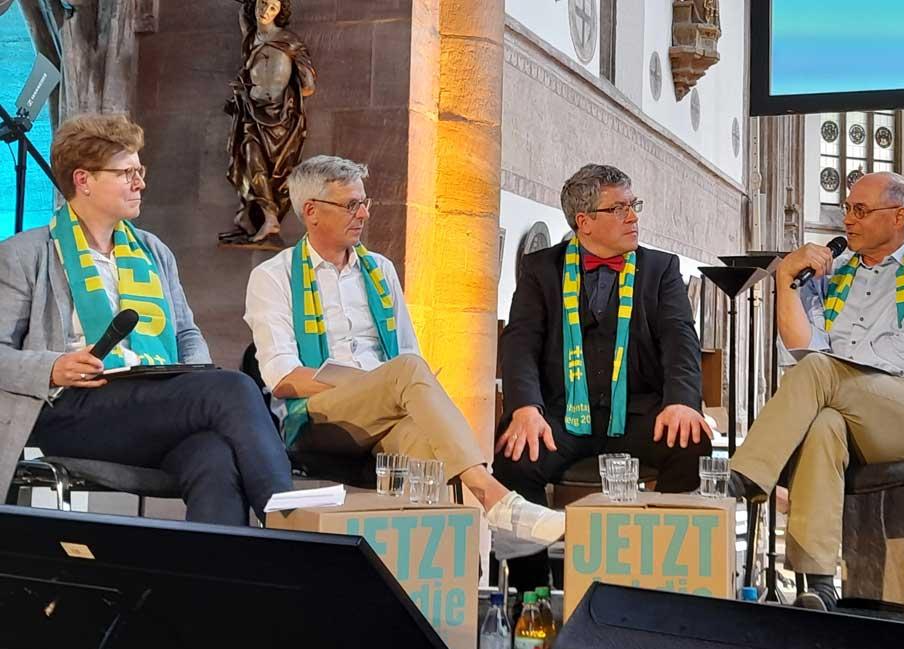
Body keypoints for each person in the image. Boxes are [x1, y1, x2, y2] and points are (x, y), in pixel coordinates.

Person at [243, 154, 565, 549]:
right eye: (350, 205)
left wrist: (391, 388)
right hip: (316, 417)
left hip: (390, 410)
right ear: (311, 212)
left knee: (423, 442)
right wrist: (378, 384)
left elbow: (408, 353)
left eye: (365, 203)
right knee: (407, 371)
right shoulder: (273, 276)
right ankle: (495, 501)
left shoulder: (380, 269)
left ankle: (443, 569)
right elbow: (283, 377)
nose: (362, 213)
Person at [0, 113, 293, 525]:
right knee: (233, 388)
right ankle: (294, 521)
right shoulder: (25, 254)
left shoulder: (153, 250)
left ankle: (213, 587)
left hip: (151, 402)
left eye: (140, 170)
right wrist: (53, 367)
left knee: (213, 455)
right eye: (126, 173)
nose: (141, 183)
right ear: (83, 180)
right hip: (73, 409)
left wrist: (191, 377)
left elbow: (186, 332)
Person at [727, 171, 904, 611]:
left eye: (860, 210)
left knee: (822, 373)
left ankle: (745, 477)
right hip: (843, 405)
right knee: (824, 424)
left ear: (898, 217)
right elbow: (800, 350)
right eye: (846, 209)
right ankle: (818, 582)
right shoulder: (833, 273)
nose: (848, 220)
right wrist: (785, 279)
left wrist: (836, 358)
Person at [493, 163, 713, 591]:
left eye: (634, 206)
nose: (633, 217)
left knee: (691, 441)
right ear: (585, 222)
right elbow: (520, 343)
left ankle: (665, 583)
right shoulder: (541, 270)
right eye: (620, 208)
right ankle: (531, 596)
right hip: (561, 415)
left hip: (636, 414)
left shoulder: (660, 269)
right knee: (515, 454)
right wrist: (524, 408)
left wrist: (683, 401)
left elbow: (680, 341)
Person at [220, 0, 316, 246]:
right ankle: (269, 219)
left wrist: (285, 93)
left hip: (280, 118)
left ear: (279, 13)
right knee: (250, 160)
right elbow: (244, 15)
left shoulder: (289, 42)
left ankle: (257, 216)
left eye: (272, 7)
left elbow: (307, 86)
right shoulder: (251, 39)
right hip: (251, 113)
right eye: (262, 4)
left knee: (277, 169)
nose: (265, 11)